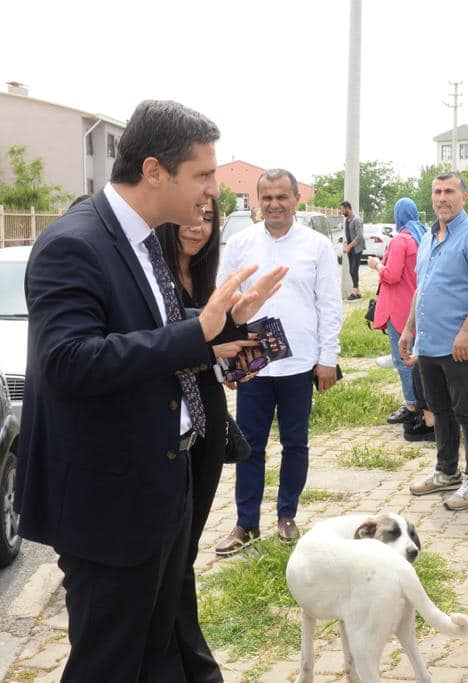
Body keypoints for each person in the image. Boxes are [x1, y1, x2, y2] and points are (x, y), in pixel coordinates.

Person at [14, 100, 285, 681]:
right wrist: (198, 331)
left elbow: (150, 326)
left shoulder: (142, 237)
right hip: (109, 503)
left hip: (164, 486)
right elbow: (69, 361)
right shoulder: (74, 243)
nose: (213, 191)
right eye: (203, 175)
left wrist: (228, 321)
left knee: (159, 654)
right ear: (156, 170)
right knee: (110, 663)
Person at [215, 168, 343, 554]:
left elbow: (329, 304)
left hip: (299, 362)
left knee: (295, 443)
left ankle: (287, 515)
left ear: (295, 200)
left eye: (281, 197)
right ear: (257, 201)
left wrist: (327, 358)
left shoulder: (317, 245)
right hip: (253, 364)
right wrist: (225, 360)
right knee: (249, 445)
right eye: (266, 197)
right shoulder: (239, 245)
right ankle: (246, 523)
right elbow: (222, 302)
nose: (274, 204)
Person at [154, 199, 229, 681]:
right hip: (169, 422)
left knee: (187, 548)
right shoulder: (150, 273)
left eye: (207, 219)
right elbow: (158, 351)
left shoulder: (206, 276)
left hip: (206, 415)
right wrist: (208, 346)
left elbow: (212, 355)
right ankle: (191, 664)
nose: (196, 228)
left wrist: (233, 356)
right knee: (173, 557)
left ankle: (187, 659)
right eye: (188, 217)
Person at [399, 172, 468, 511]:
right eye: (437, 192)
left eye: (450, 191)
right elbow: (420, 287)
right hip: (429, 342)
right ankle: (446, 471)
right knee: (438, 410)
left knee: (467, 410)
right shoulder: (427, 237)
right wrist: (409, 329)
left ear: (464, 197)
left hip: (460, 343)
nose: (442, 198)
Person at [368, 197, 426, 425]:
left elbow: (391, 275)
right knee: (420, 359)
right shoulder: (422, 236)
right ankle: (424, 405)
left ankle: (411, 406)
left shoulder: (400, 241)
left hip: (398, 309)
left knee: (402, 358)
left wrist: (376, 265)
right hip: (417, 306)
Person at [341, 200, 365, 301]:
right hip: (350, 248)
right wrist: (346, 243)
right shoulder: (347, 220)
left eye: (342, 210)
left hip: (357, 248)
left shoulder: (357, 220)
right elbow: (348, 234)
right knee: (352, 270)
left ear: (347, 208)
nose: (342, 212)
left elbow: (359, 236)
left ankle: (354, 292)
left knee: (353, 270)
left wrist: (349, 246)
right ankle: (358, 292)